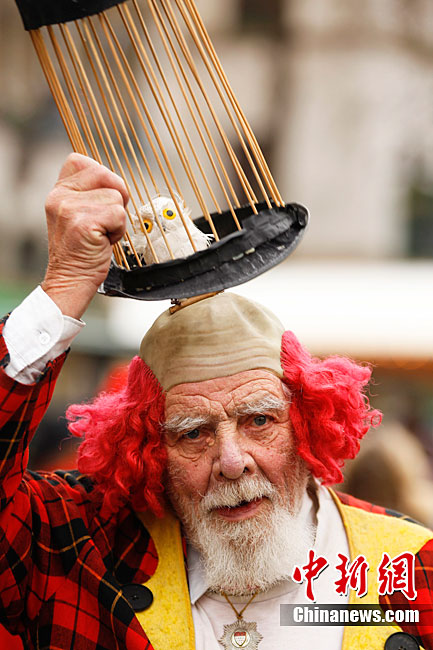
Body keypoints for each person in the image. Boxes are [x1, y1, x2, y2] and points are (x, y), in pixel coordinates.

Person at [0, 153, 432, 650]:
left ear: (306, 424)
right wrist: (63, 287)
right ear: (151, 451)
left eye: (259, 420)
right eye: (193, 432)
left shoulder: (411, 566)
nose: (231, 462)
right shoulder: (82, 549)